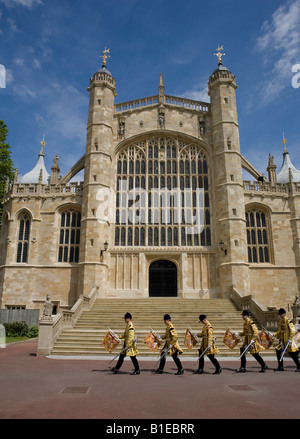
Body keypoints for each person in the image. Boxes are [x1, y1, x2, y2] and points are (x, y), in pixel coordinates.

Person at [271, 308, 300, 372]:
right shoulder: (281, 322)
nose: (280, 316)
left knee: (292, 354)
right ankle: (280, 366)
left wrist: (290, 339)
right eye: (280, 314)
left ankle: (299, 366)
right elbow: (280, 331)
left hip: (288, 340)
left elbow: (293, 331)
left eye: (281, 314)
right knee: (278, 350)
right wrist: (274, 334)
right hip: (282, 340)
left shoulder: (288, 321)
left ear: (284, 314)